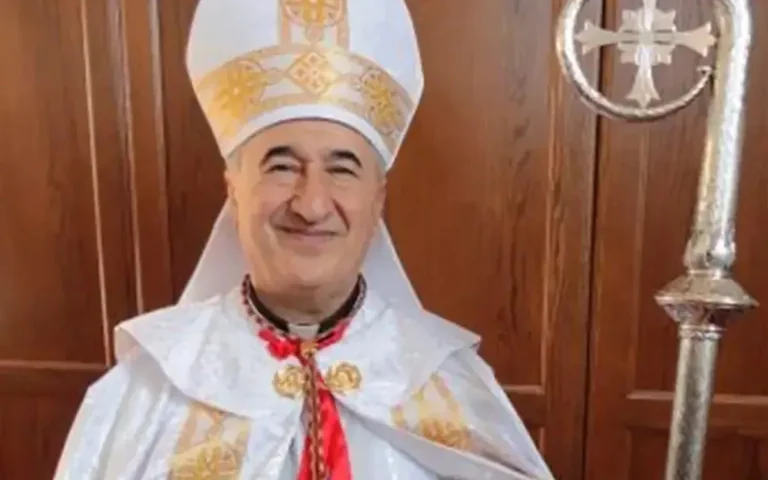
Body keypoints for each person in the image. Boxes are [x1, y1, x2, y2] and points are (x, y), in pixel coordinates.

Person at [53, 0, 554, 478]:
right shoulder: (144, 393)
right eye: (282, 166)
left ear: (377, 199)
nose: (311, 203)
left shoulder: (453, 385)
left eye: (342, 168)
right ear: (234, 188)